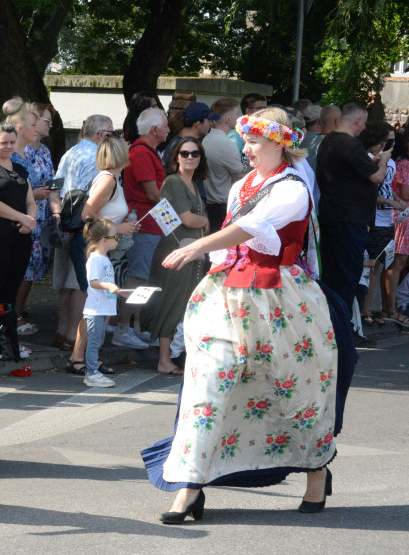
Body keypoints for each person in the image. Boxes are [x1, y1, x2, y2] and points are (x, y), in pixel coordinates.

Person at [144, 108, 340, 523]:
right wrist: (210, 258)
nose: (245, 149)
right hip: (230, 293)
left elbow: (251, 228)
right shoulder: (242, 185)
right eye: (246, 141)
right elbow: (235, 236)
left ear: (279, 143)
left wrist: (197, 246)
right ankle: (189, 488)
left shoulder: (293, 189)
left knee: (293, 390)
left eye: (253, 142)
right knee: (208, 386)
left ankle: (316, 473)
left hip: (281, 298)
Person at [65, 136, 136, 374]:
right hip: (95, 248)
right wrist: (117, 229)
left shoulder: (113, 178)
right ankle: (79, 357)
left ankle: (89, 356)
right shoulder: (108, 179)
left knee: (102, 306)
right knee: (96, 307)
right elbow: (88, 213)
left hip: (104, 247)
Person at [141, 136, 209, 376]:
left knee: (185, 303)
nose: (190, 158)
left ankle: (174, 356)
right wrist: (206, 222)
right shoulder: (173, 182)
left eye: (195, 154)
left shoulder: (194, 183)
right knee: (172, 302)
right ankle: (163, 360)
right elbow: (188, 219)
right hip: (176, 250)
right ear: (176, 158)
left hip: (191, 251)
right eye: (185, 154)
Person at [49, 115, 115, 351]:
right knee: (80, 284)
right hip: (83, 227)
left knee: (66, 284)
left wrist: (57, 217)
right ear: (101, 135)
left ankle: (61, 331)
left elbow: (54, 186)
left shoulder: (71, 152)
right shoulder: (96, 158)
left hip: (64, 224)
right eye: (111, 133)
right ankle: (71, 337)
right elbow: (91, 202)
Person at [316, 103, 385, 315]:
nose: (364, 128)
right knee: (346, 278)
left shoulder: (328, 141)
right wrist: (384, 160)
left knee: (332, 275)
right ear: (357, 121)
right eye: (363, 123)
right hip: (349, 220)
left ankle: (331, 329)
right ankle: (341, 334)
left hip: (331, 216)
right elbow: (376, 176)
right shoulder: (350, 144)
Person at [0, 123, 36, 360]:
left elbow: (30, 199)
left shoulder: (20, 169)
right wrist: (22, 218)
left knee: (11, 291)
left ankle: (7, 342)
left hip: (21, 236)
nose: (9, 147)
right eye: (4, 143)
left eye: (12, 142)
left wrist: (29, 220)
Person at [116, 107, 169, 350]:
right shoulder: (141, 153)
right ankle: (123, 329)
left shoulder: (147, 151)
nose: (169, 129)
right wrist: (174, 218)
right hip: (145, 225)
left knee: (143, 277)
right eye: (166, 125)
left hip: (150, 224)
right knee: (137, 277)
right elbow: (153, 194)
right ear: (155, 129)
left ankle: (136, 328)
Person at [15, 103, 57, 333]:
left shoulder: (44, 149)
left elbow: (50, 179)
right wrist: (35, 194)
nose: (50, 125)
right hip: (25, 214)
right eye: (46, 121)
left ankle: (18, 311)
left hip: (42, 216)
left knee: (35, 268)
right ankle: (15, 316)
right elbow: (13, 186)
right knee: (25, 268)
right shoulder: (19, 150)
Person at [361, 124, 402, 326]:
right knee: (369, 267)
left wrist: (396, 200)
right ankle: (364, 311)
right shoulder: (368, 161)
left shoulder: (390, 163)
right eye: (387, 141)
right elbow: (368, 194)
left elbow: (387, 187)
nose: (390, 146)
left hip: (388, 221)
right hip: (373, 220)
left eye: (393, 142)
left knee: (379, 267)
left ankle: (371, 309)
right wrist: (389, 202)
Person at [80, 217, 121, 388]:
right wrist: (109, 286)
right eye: (116, 237)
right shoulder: (96, 259)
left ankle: (93, 372)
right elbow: (93, 282)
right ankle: (92, 373)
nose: (118, 240)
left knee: (98, 342)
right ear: (104, 241)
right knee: (94, 342)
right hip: (95, 309)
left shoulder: (104, 259)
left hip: (103, 308)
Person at [203, 98, 246, 232]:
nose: (239, 117)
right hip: (220, 207)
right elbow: (240, 177)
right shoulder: (226, 145)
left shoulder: (206, 139)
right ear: (228, 119)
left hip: (207, 204)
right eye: (236, 114)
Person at [387, 132, 409, 326]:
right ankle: (393, 306)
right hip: (404, 216)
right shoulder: (404, 164)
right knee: (398, 262)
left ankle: (398, 303)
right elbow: (404, 192)